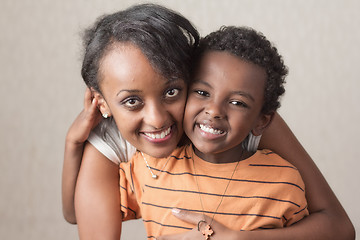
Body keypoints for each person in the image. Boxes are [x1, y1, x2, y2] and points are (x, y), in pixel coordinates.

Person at [62, 3, 355, 240]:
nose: (157, 118)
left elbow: (339, 227)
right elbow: (78, 215)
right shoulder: (111, 139)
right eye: (131, 100)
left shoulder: (245, 123)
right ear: (102, 103)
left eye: (172, 91)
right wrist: (73, 145)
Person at [118, 25, 309, 238]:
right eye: (202, 92)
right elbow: (75, 210)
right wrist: (73, 145)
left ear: (262, 121)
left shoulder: (284, 181)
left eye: (237, 102)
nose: (215, 111)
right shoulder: (150, 166)